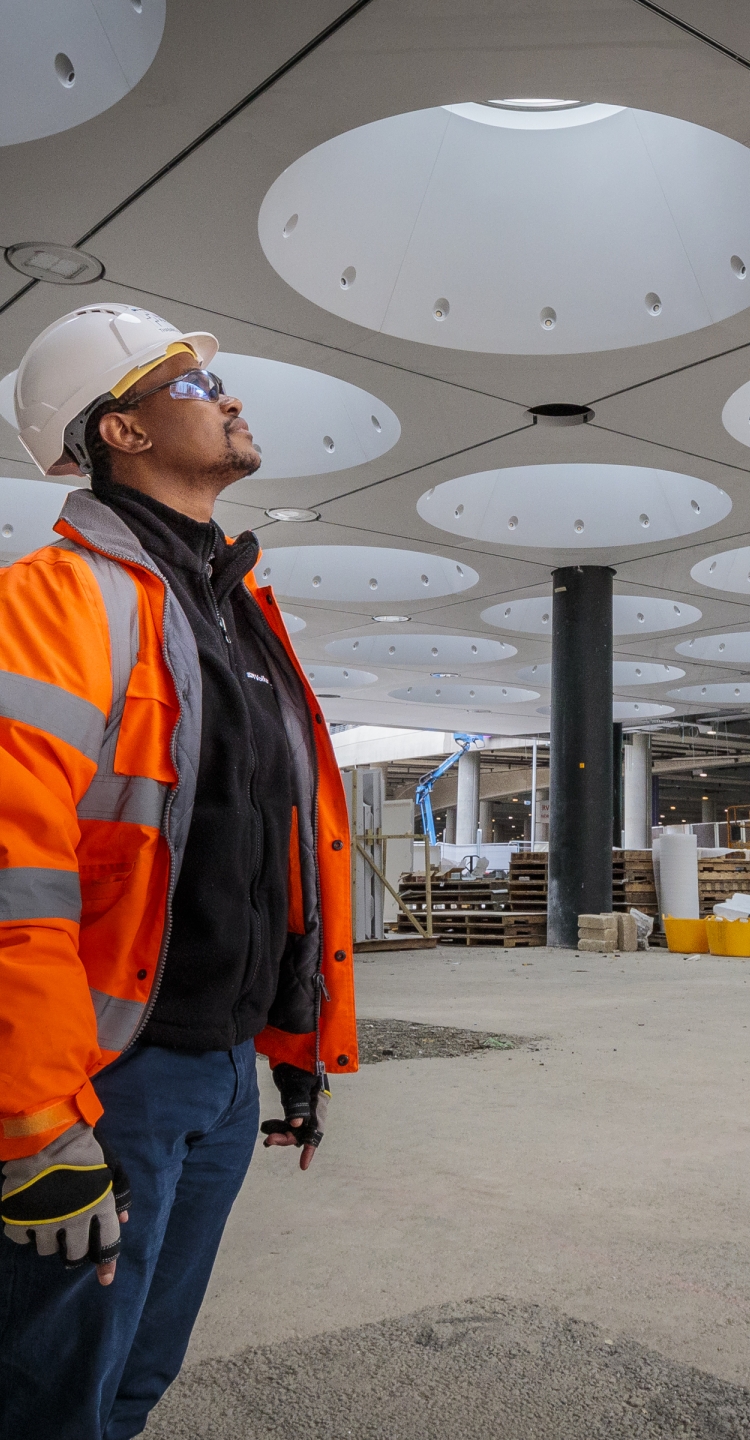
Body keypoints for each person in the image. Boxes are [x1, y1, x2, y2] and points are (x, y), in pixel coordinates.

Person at [0, 303, 357, 1440]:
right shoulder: (51, 603)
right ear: (123, 433)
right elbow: (15, 875)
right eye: (196, 389)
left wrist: (295, 1044)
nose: (232, 398)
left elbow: (284, 853)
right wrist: (39, 1122)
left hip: (218, 1074)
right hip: (109, 1080)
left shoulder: (243, 614)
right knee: (53, 1400)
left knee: (140, 1379)